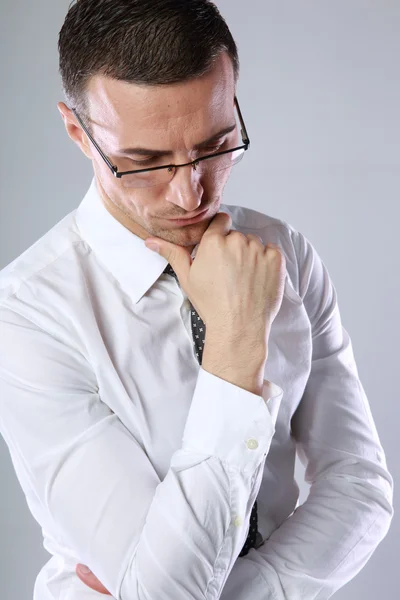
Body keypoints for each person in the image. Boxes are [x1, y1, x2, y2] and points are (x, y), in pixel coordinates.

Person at [0, 1, 393, 598]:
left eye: (216, 144)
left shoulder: (285, 253)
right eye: (146, 162)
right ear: (79, 134)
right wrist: (237, 353)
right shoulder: (27, 316)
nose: (191, 192)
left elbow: (360, 487)